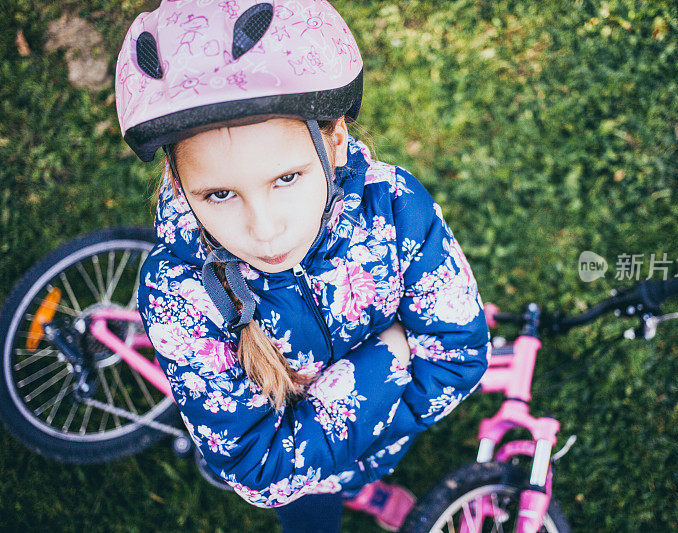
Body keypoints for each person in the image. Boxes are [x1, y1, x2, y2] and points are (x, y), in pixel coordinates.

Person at [115, 1, 490, 531]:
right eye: (219, 193)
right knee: (313, 515)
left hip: (359, 453)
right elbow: (259, 470)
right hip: (311, 486)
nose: (265, 230)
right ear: (179, 185)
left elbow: (461, 355)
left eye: (286, 179)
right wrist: (393, 353)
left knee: (349, 477)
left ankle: (361, 486)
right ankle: (349, 491)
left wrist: (319, 444)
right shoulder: (179, 297)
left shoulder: (394, 207)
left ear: (334, 142)